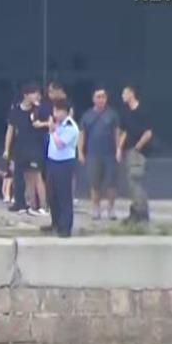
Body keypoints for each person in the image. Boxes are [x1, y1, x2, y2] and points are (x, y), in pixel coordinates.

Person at [78, 88, 121, 220]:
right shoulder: (87, 115)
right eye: (98, 97)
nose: (100, 99)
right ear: (93, 99)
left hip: (110, 154)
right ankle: (96, 209)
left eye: (103, 97)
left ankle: (111, 209)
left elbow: (117, 133)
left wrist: (118, 150)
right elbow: (82, 134)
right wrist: (80, 151)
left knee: (111, 183)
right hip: (93, 154)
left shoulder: (112, 115)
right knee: (95, 183)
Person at [4, 83, 45, 214]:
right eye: (33, 93)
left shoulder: (38, 110)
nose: (36, 96)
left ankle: (41, 205)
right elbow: (10, 130)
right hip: (20, 146)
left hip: (35, 146)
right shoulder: (15, 110)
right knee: (19, 176)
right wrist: (7, 149)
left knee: (36, 176)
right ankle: (20, 203)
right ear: (26, 95)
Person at [41, 100, 79, 238]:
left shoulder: (71, 127)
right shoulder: (56, 124)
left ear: (66, 112)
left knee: (64, 196)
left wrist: (53, 131)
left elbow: (60, 145)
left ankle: (65, 227)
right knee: (52, 195)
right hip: (52, 162)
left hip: (64, 163)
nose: (55, 114)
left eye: (59, 111)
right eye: (55, 110)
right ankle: (55, 222)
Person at [118, 85, 153, 224]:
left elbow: (148, 132)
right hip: (128, 151)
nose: (122, 96)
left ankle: (141, 212)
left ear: (131, 93)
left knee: (135, 180)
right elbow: (125, 132)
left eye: (124, 93)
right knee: (131, 182)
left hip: (138, 152)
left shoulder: (143, 110)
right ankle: (135, 210)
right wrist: (119, 148)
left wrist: (138, 146)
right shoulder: (126, 112)